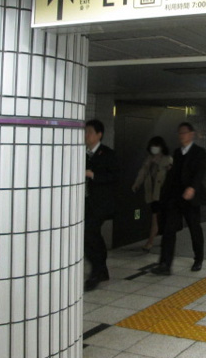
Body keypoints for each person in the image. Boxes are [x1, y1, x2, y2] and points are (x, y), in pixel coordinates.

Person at [152, 122, 206, 276]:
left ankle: (198, 259)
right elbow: (174, 176)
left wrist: (192, 188)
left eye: (184, 132)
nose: (181, 135)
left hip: (191, 198)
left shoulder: (199, 152)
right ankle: (165, 264)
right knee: (169, 229)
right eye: (179, 133)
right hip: (176, 198)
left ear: (191, 134)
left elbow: (200, 172)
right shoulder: (177, 153)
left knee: (194, 228)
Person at [84, 119, 119, 291]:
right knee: (88, 235)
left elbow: (115, 177)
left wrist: (93, 175)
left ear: (99, 135)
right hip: (85, 202)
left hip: (101, 203)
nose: (86, 135)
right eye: (85, 131)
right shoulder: (81, 153)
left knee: (90, 233)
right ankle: (101, 269)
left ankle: (97, 271)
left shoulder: (108, 154)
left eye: (90, 132)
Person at [132, 136, 173, 252]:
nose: (154, 148)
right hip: (153, 193)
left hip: (164, 193)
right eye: (152, 146)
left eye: (156, 146)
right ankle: (153, 241)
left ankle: (151, 242)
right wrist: (136, 184)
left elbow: (172, 176)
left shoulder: (167, 159)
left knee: (160, 217)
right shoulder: (149, 159)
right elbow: (142, 172)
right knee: (155, 217)